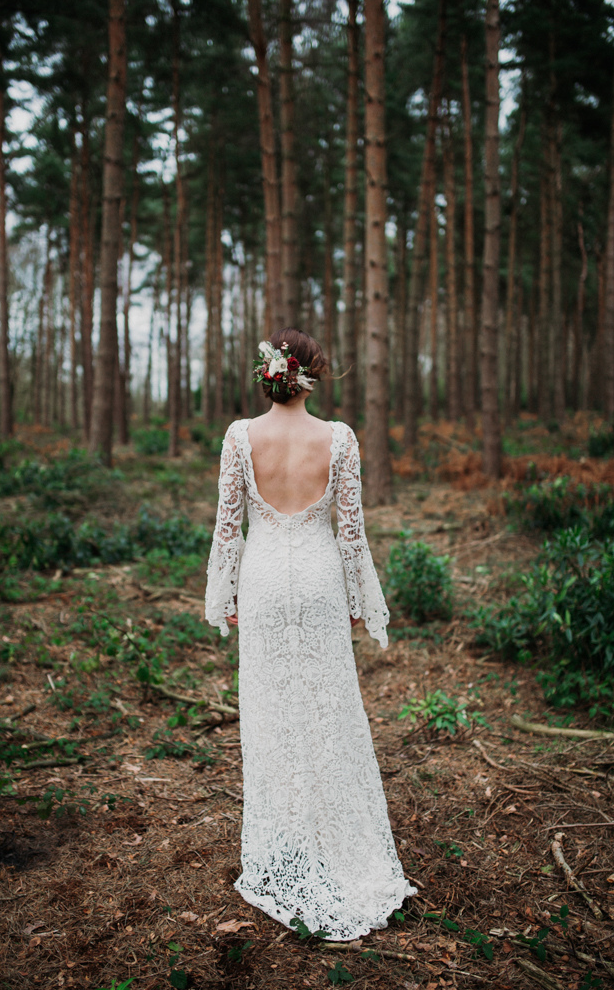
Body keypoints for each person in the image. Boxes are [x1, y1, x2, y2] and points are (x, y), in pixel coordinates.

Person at [205, 328, 416, 941]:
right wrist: (358, 598)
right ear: (312, 373)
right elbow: (351, 532)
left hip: (267, 580)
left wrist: (226, 594)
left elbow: (228, 527)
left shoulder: (240, 438)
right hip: (321, 580)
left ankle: (285, 843)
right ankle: (337, 840)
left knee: (271, 712)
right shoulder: (340, 438)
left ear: (268, 373)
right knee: (329, 706)